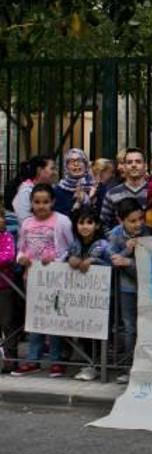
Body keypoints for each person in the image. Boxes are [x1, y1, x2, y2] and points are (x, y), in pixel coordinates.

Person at [11, 184, 74, 377]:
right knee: (34, 319)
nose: (41, 206)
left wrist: (55, 260)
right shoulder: (27, 223)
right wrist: (20, 257)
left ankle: (56, 359)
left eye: (45, 202)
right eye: (37, 202)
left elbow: (70, 247)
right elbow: (21, 246)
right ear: (31, 203)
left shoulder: (62, 221)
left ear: (53, 202)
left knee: (54, 318)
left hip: (54, 277)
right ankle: (33, 359)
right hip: (31, 277)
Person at [66, 207, 110, 381]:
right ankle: (88, 363)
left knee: (98, 333)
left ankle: (98, 365)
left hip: (102, 297)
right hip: (80, 296)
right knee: (84, 331)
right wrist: (70, 259)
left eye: (89, 223)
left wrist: (94, 261)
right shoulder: (74, 244)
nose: (85, 226)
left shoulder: (103, 245)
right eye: (81, 222)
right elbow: (67, 258)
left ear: (97, 225)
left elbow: (111, 264)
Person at [106, 198, 147, 383]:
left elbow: (150, 265)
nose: (138, 224)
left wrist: (129, 262)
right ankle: (129, 367)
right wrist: (126, 253)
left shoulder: (148, 233)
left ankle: (147, 367)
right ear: (121, 220)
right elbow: (112, 259)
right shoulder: (115, 234)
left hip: (147, 288)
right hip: (126, 289)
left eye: (140, 219)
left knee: (147, 328)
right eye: (132, 221)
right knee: (129, 327)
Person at [100, 148, 149, 234]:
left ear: (145, 166)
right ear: (125, 167)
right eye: (129, 162)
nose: (134, 165)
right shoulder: (112, 193)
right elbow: (104, 224)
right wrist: (117, 241)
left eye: (138, 162)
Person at [12, 156, 57, 225]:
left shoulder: (52, 188)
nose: (55, 173)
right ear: (39, 170)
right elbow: (25, 221)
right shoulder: (25, 192)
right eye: (52, 169)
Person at [54, 148, 96, 217]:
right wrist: (77, 203)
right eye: (72, 161)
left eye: (79, 161)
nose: (76, 164)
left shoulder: (96, 187)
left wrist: (89, 199)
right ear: (66, 167)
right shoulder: (58, 191)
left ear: (86, 165)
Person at [0, 208, 15, 354]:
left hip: (4, 287)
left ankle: (10, 358)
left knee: (7, 323)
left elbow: (8, 256)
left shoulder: (7, 236)